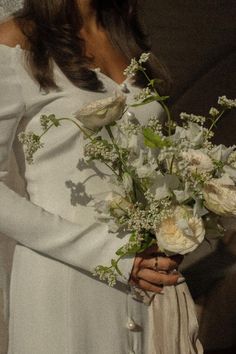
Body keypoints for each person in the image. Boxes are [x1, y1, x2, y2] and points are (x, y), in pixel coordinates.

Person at [0, 1, 203, 353]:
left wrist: (175, 229)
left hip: (145, 280)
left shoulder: (126, 38)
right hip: (65, 280)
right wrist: (114, 255)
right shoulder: (15, 40)